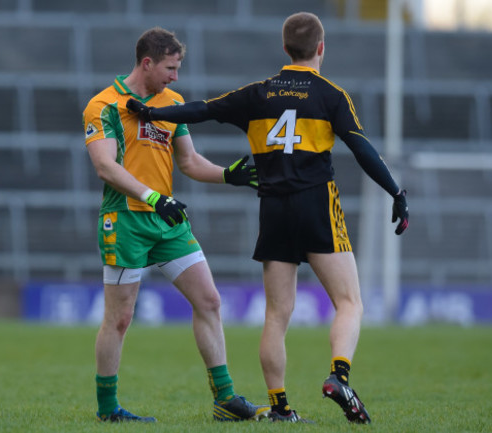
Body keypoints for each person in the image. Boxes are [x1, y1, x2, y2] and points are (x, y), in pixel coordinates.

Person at [127, 12, 409, 424]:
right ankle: (339, 376)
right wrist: (396, 193)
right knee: (349, 301)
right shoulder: (331, 95)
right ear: (320, 49)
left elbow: (201, 110)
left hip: (274, 208)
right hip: (316, 203)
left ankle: (280, 406)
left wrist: (152, 115)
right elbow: (362, 149)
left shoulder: (257, 94)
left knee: (277, 314)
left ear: (284, 50)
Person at [82, 27, 267, 423]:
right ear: (146, 63)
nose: (175, 76)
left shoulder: (172, 103)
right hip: (127, 219)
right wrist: (152, 197)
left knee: (210, 301)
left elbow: (188, 161)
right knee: (119, 318)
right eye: (170, 67)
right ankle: (107, 409)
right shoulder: (104, 104)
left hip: (167, 220)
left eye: (177, 68)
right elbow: (104, 166)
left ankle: (225, 400)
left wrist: (227, 176)